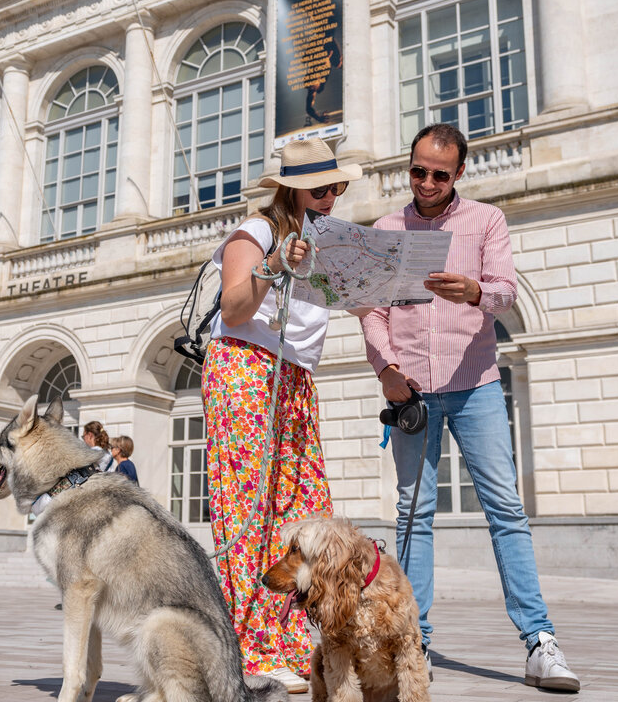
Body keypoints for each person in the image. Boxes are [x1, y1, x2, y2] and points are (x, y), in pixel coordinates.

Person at [358, 123, 580, 692]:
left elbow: (505, 289)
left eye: (439, 173)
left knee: (506, 508)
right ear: (408, 168)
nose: (427, 182)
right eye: (417, 171)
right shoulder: (385, 229)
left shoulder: (486, 221)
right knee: (414, 515)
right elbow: (372, 310)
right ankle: (415, 645)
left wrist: (476, 292)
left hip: (476, 383)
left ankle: (539, 642)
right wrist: (385, 371)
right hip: (412, 391)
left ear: (458, 173)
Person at [202, 136, 360, 693]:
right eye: (321, 188)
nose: (331, 197)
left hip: (294, 377)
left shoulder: (325, 240)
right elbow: (235, 305)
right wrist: (272, 265)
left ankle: (295, 636)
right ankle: (248, 642)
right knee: (249, 503)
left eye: (337, 187)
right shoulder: (258, 231)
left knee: (302, 504)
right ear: (293, 191)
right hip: (246, 369)